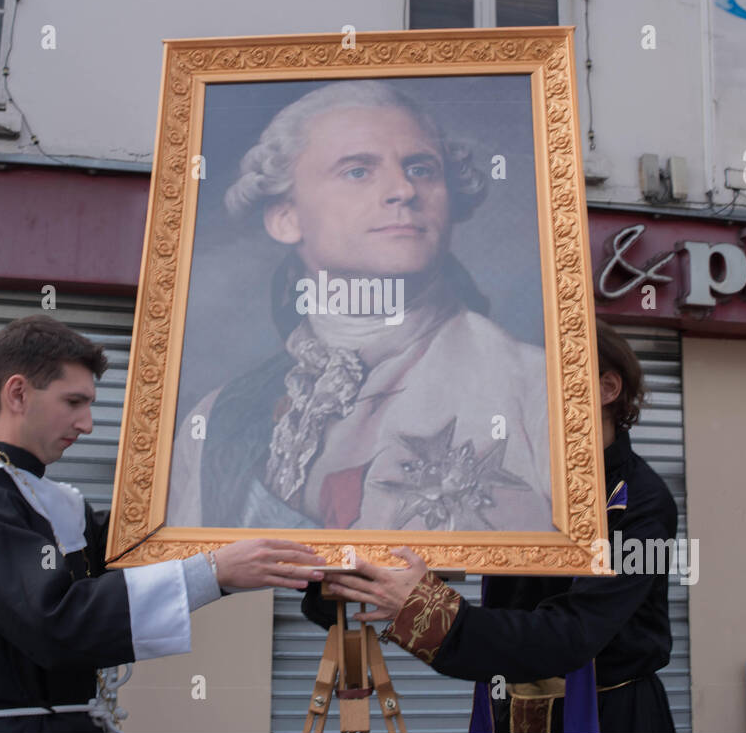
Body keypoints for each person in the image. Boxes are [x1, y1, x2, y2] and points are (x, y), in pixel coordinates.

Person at [168, 80, 553, 533]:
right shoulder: (217, 418)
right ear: (286, 217)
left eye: (422, 169)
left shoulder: (537, 390)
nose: (403, 190)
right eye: (357, 171)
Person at [0, 315, 325, 733]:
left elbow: (148, 550)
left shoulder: (59, 503)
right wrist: (214, 571)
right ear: (18, 394)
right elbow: (56, 623)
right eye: (73, 402)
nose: (87, 424)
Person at [308, 321, 679, 733]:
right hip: (508, 706)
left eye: (543, 377)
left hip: (610, 716)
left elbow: (574, 635)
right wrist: (337, 567)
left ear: (608, 389)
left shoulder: (644, 501)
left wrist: (426, 610)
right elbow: (412, 545)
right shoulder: (505, 471)